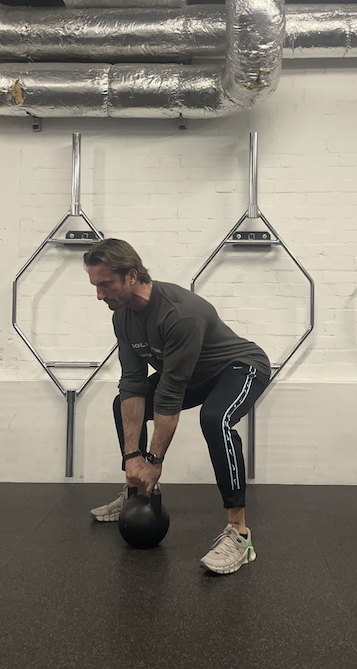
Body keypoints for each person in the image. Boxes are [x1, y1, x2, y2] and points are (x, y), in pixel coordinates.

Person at [85, 238, 271, 574]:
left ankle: (239, 534)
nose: (99, 295)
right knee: (122, 404)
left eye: (105, 284)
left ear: (131, 276)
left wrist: (154, 461)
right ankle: (135, 493)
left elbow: (169, 393)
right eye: (95, 286)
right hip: (194, 376)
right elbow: (133, 383)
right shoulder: (123, 318)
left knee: (215, 419)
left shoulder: (178, 313)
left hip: (240, 367)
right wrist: (132, 459)